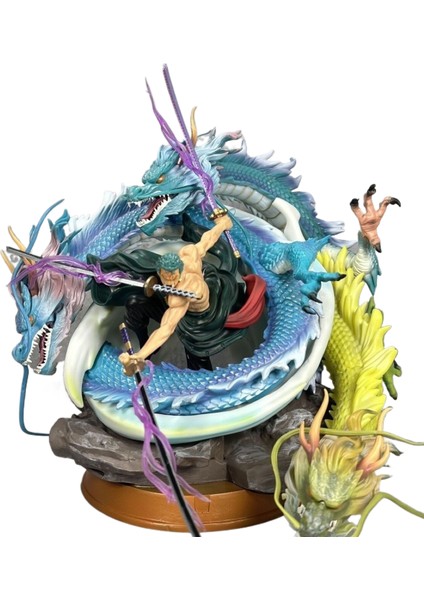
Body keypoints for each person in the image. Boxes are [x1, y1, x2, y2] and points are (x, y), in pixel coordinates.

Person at [119, 210, 236, 376]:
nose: (169, 282)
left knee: (195, 352)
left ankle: (201, 378)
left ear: (180, 270)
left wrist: (140, 356)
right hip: (179, 303)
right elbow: (207, 239)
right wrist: (222, 224)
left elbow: (166, 329)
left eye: (173, 277)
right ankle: (145, 341)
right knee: (135, 302)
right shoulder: (187, 254)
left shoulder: (183, 292)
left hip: (201, 320)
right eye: (164, 277)